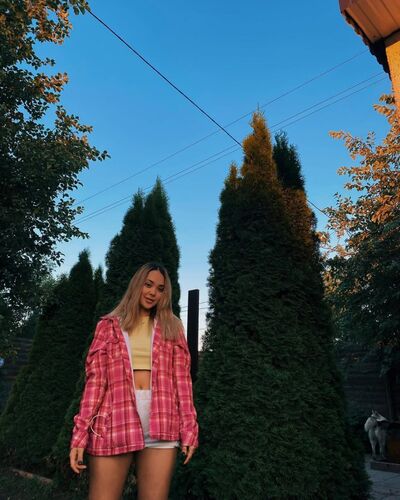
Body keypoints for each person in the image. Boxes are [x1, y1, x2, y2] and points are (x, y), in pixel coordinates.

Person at [69, 262, 199, 500]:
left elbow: (182, 381)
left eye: (160, 289)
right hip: (114, 418)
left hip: (163, 420)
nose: (152, 292)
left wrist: (189, 427)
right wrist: (80, 434)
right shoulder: (108, 326)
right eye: (148, 285)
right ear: (137, 284)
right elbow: (95, 383)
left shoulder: (172, 327)